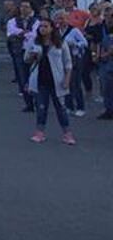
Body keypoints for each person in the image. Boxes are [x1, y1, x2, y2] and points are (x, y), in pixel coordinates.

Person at [24, 17, 75, 145]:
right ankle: (39, 132)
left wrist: (67, 79)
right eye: (41, 26)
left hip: (57, 80)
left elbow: (68, 63)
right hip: (40, 80)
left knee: (61, 108)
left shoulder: (60, 43)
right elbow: (26, 59)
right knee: (41, 107)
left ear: (52, 28)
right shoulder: (34, 42)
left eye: (46, 26)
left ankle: (67, 133)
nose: (43, 29)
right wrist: (32, 56)